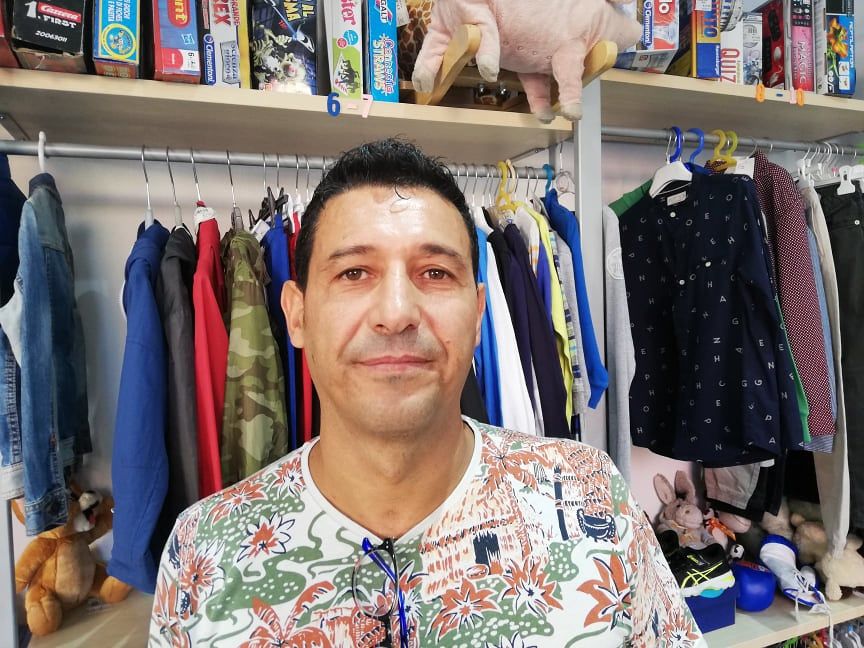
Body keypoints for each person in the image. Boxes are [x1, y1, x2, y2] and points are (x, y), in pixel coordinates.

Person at [149, 139, 705, 647]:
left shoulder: (590, 498)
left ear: (478, 313)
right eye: (353, 273)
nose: (396, 313)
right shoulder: (204, 552)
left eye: (436, 273)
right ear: (296, 314)